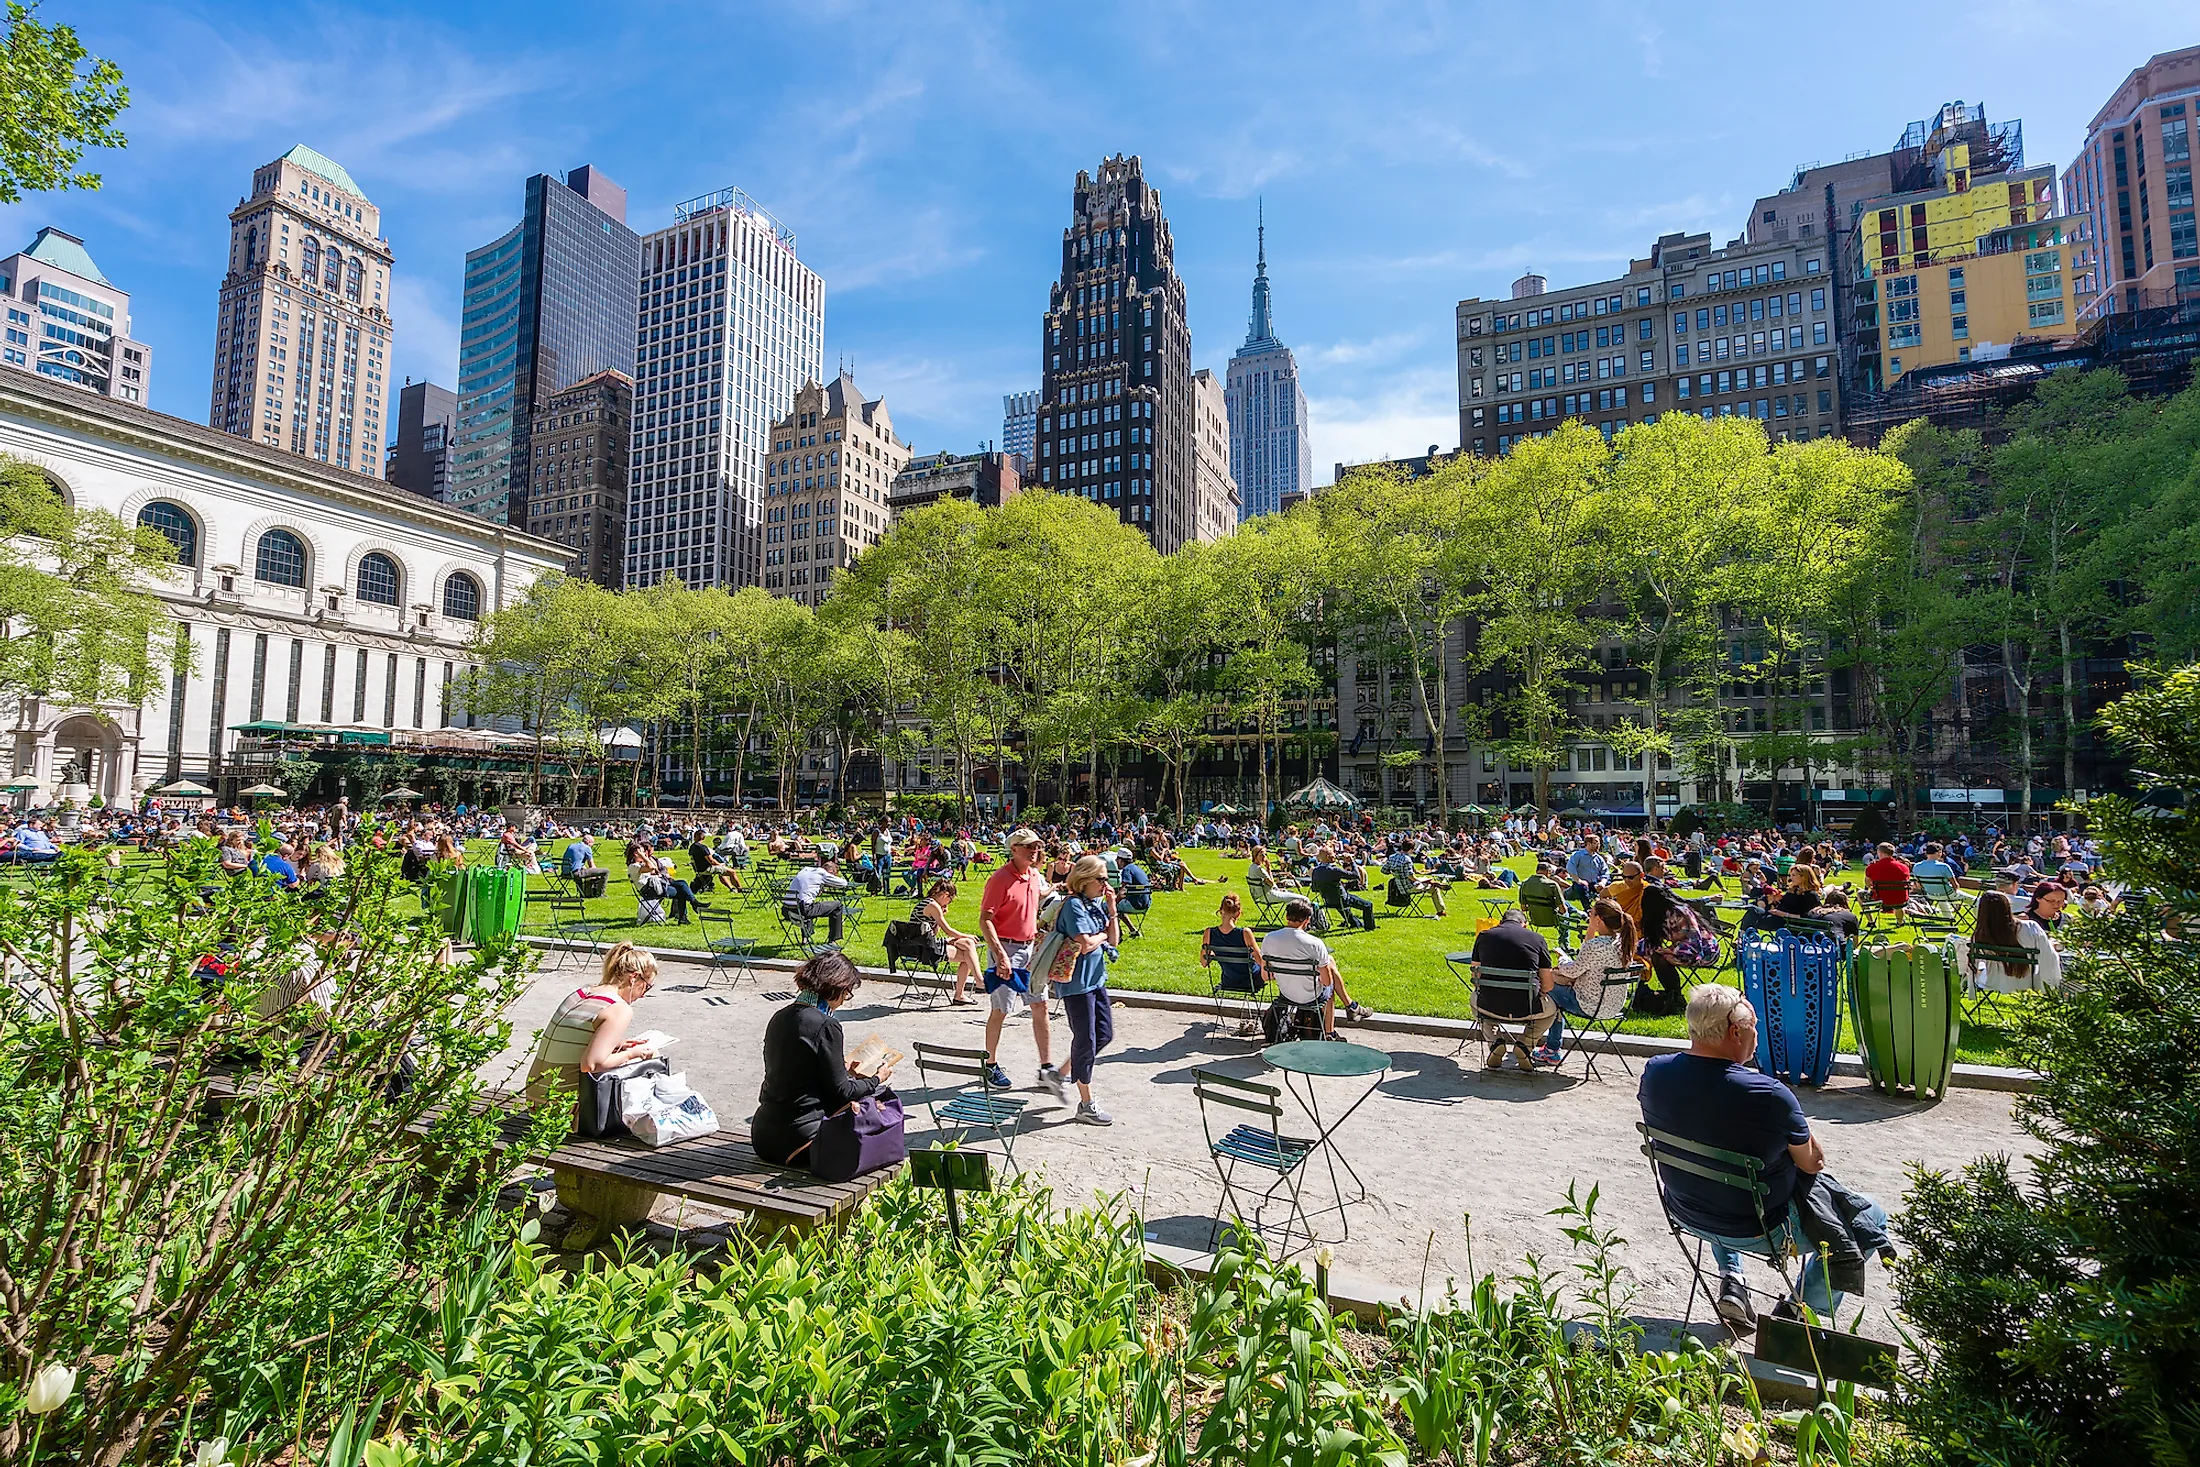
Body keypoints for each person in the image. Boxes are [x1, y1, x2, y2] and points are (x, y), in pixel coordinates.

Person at [1638, 985, 1889, 1329]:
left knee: (1721, 1175)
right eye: (1754, 1026)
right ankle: (1802, 1310)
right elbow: (1813, 1163)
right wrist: (1790, 1110)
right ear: (1735, 1031)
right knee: (1870, 1214)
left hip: (1688, 1209)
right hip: (1762, 1229)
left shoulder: (1656, 1072)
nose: (1757, 1036)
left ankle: (1733, 1282)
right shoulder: (1768, 1094)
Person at [751, 950, 894, 1168]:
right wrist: (877, 1078)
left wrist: (840, 1067)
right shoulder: (826, 1025)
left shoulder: (780, 1016)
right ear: (837, 988)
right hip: (799, 1142)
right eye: (847, 994)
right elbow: (842, 1094)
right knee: (876, 1099)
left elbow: (793, 1068)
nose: (844, 1001)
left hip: (763, 1136)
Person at [524, 941, 662, 1111]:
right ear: (633, 977)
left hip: (535, 1099)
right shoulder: (619, 1008)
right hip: (563, 1108)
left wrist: (618, 1044)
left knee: (625, 1055)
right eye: (646, 988)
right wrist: (633, 1053)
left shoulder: (582, 993)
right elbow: (591, 1065)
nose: (643, 996)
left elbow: (574, 1039)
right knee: (651, 1056)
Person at [978, 828, 1060, 1093]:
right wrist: (1000, 955)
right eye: (1028, 846)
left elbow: (1041, 893)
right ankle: (990, 1064)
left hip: (1030, 950)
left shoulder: (1034, 875)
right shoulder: (1000, 879)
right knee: (1001, 1009)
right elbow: (985, 920)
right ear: (1013, 849)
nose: (1034, 850)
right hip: (1006, 949)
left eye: (1036, 846)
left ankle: (1046, 1068)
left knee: (1041, 1005)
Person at [1040, 855, 1120, 1124]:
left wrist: (1112, 909)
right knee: (1085, 1040)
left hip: (1095, 980)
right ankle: (1085, 1103)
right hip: (1076, 984)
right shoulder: (1074, 906)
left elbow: (1114, 938)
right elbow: (1085, 943)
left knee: (1104, 1035)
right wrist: (1102, 936)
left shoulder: (1094, 905)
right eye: (1101, 879)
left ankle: (1058, 1074)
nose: (1105, 884)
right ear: (1085, 880)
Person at [1533, 898, 1638, 1065]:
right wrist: (1590, 930)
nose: (1588, 915)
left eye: (1591, 913)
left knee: (1546, 985)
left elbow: (1572, 970)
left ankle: (1551, 1048)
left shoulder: (1596, 946)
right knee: (1556, 983)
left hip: (1589, 1004)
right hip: (1614, 1005)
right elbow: (1585, 962)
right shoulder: (1621, 942)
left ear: (1599, 919)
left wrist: (1562, 958)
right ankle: (1551, 1047)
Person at [1259, 898, 1373, 1037]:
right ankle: (1332, 1029)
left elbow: (1266, 977)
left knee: (1329, 963)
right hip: (1311, 995)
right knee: (1330, 984)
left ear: (1286, 916)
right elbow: (1326, 982)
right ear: (1307, 920)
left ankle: (1351, 1007)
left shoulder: (1269, 939)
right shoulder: (1315, 944)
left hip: (1286, 994)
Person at [1468, 908, 1557, 1070]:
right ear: (1525, 925)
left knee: (1474, 1000)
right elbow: (1548, 985)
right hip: (1528, 1007)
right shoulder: (1537, 939)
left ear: (1501, 922)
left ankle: (1495, 1041)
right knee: (1552, 1011)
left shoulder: (1484, 936)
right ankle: (1525, 1044)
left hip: (1490, 1006)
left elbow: (1476, 978)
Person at [1954, 889, 2063, 991]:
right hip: (2028, 981)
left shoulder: (1980, 934)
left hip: (1992, 982)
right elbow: (2049, 957)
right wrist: (2051, 946)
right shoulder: (2030, 927)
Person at [1201, 892, 1267, 1036]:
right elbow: (1260, 960)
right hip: (1251, 981)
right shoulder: (1245, 933)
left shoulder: (1209, 933)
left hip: (1228, 981)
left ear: (1220, 910)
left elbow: (1204, 962)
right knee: (1270, 971)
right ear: (1238, 913)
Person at [915, 878, 982, 1005]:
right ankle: (975, 984)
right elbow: (949, 931)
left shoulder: (926, 903)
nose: (948, 903)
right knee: (968, 955)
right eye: (949, 900)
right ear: (946, 895)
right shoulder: (933, 905)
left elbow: (934, 933)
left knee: (968, 945)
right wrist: (966, 935)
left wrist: (941, 917)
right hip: (926, 948)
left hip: (923, 943)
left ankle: (972, 985)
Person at [784, 853, 849, 946]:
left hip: (787, 910)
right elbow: (843, 883)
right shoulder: (822, 874)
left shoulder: (805, 870)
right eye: (834, 875)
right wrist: (833, 879)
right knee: (837, 905)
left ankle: (805, 938)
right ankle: (833, 939)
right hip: (803, 910)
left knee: (809, 903)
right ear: (831, 872)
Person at [1309, 844, 1376, 931]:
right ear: (1328, 856)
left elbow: (1314, 888)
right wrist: (1352, 862)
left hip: (1328, 900)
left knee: (1341, 904)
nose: (1335, 855)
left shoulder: (1315, 871)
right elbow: (1356, 876)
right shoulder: (1334, 870)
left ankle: (1356, 924)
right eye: (1333, 853)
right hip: (1341, 899)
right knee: (1368, 905)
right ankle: (1370, 928)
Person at [1380, 839, 1448, 916]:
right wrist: (1420, 881)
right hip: (1409, 887)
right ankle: (1441, 911)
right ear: (1411, 849)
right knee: (1434, 888)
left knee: (1427, 880)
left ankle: (1433, 882)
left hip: (1399, 886)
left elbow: (1383, 870)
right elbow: (1410, 876)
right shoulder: (1407, 859)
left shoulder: (1392, 857)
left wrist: (1394, 872)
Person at [1863, 842, 1912, 917]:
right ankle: (1900, 922)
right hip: (1900, 899)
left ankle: (1871, 921)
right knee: (1898, 903)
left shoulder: (1872, 867)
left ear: (1880, 853)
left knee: (1860, 894)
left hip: (1880, 899)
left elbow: (1868, 884)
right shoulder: (1904, 867)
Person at [1565, 834, 1610, 905]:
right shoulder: (1578, 855)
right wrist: (1578, 880)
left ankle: (1604, 907)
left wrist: (1602, 882)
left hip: (1595, 884)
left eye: (1599, 843)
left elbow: (1605, 872)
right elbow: (1570, 868)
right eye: (1595, 843)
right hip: (1580, 883)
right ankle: (1588, 910)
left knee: (1609, 886)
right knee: (1582, 887)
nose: (1598, 845)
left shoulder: (1599, 858)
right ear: (1588, 844)